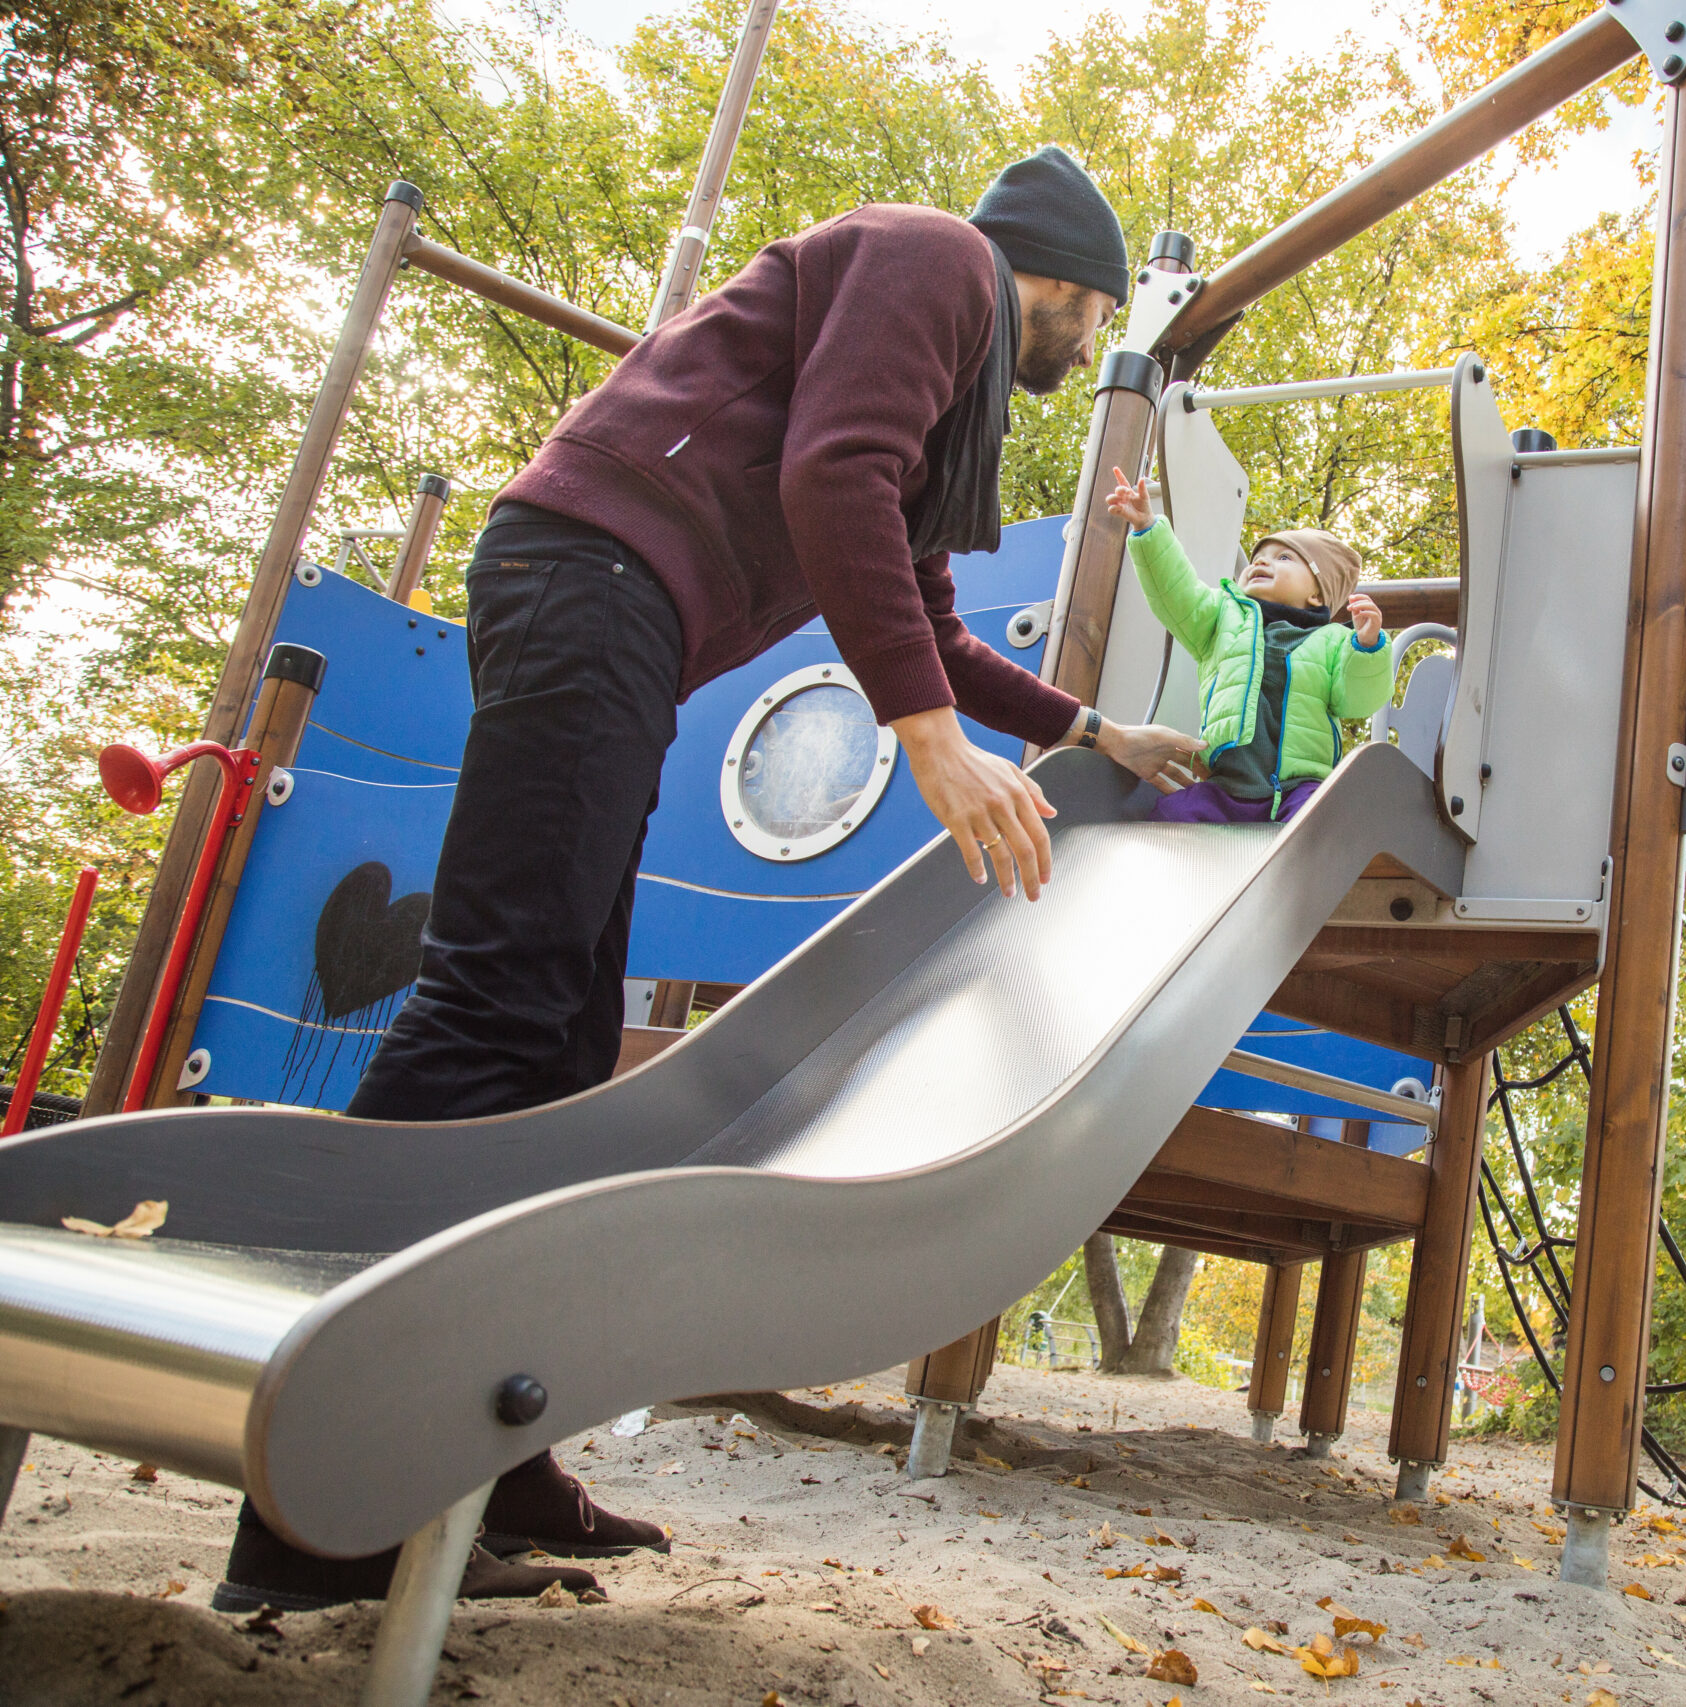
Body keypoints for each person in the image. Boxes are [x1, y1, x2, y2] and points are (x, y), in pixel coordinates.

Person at [214, 146, 1199, 1613]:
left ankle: (503, 1444)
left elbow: (921, 601)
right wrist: (924, 741)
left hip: (617, 611)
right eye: (1097, 318)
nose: (1081, 345)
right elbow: (832, 476)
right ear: (1073, 282)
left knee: (558, 1046)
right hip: (592, 576)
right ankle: (309, 1501)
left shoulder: (939, 357)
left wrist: (1086, 727)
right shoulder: (939, 260)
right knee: (500, 1002)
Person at [1101, 465, 1388, 823]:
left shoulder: (1333, 641)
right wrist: (1148, 529)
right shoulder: (1222, 618)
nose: (1262, 562)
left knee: (1324, 820)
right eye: (1257, 559)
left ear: (1317, 594)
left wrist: (1367, 648)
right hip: (1225, 784)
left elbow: (1358, 700)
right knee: (1170, 816)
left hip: (1299, 788)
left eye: (1284, 558)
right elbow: (1176, 592)